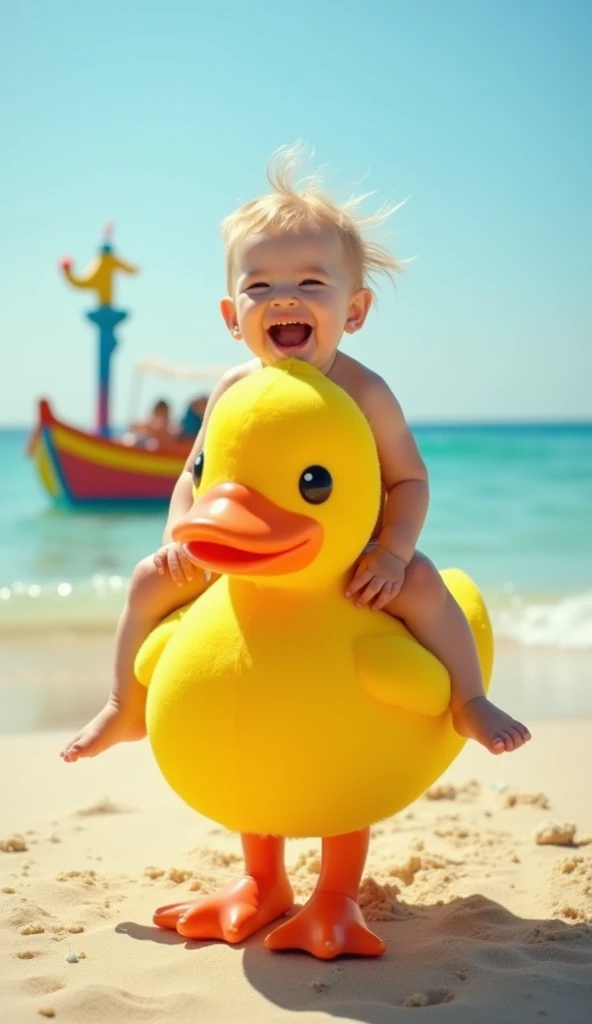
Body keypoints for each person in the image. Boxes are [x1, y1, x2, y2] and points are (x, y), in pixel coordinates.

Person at [61, 148, 530, 765]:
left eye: (310, 282)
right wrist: (179, 536)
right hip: (242, 554)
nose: (283, 298)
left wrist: (389, 553)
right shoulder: (233, 391)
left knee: (422, 582)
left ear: (353, 311)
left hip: (345, 561)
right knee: (149, 578)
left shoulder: (364, 392)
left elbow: (411, 478)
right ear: (233, 317)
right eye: (259, 287)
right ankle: (125, 705)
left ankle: (469, 698)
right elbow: (193, 474)